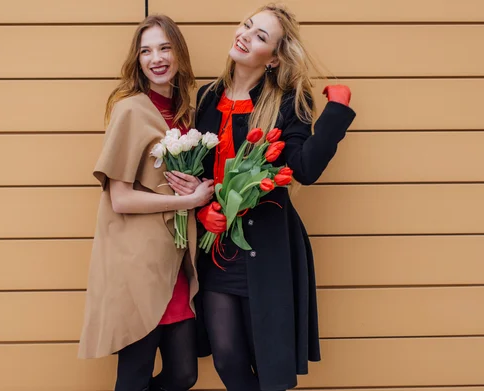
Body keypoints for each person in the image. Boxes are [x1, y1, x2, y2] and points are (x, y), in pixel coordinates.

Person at [165, 3, 356, 390]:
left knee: (271, 367)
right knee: (227, 358)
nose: (245, 36)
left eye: (260, 36)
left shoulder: (288, 101)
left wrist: (336, 113)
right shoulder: (206, 97)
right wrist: (200, 209)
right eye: (247, 26)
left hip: (267, 247)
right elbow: (200, 173)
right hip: (217, 248)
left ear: (274, 58)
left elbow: (303, 169)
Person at [77, 14, 215, 391]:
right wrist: (186, 201)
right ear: (137, 60)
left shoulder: (186, 114)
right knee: (134, 376)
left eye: (165, 47)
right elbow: (119, 198)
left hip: (177, 262)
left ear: (179, 53)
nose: (156, 58)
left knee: (184, 373)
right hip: (139, 265)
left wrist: (202, 190)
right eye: (146, 51)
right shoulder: (130, 110)